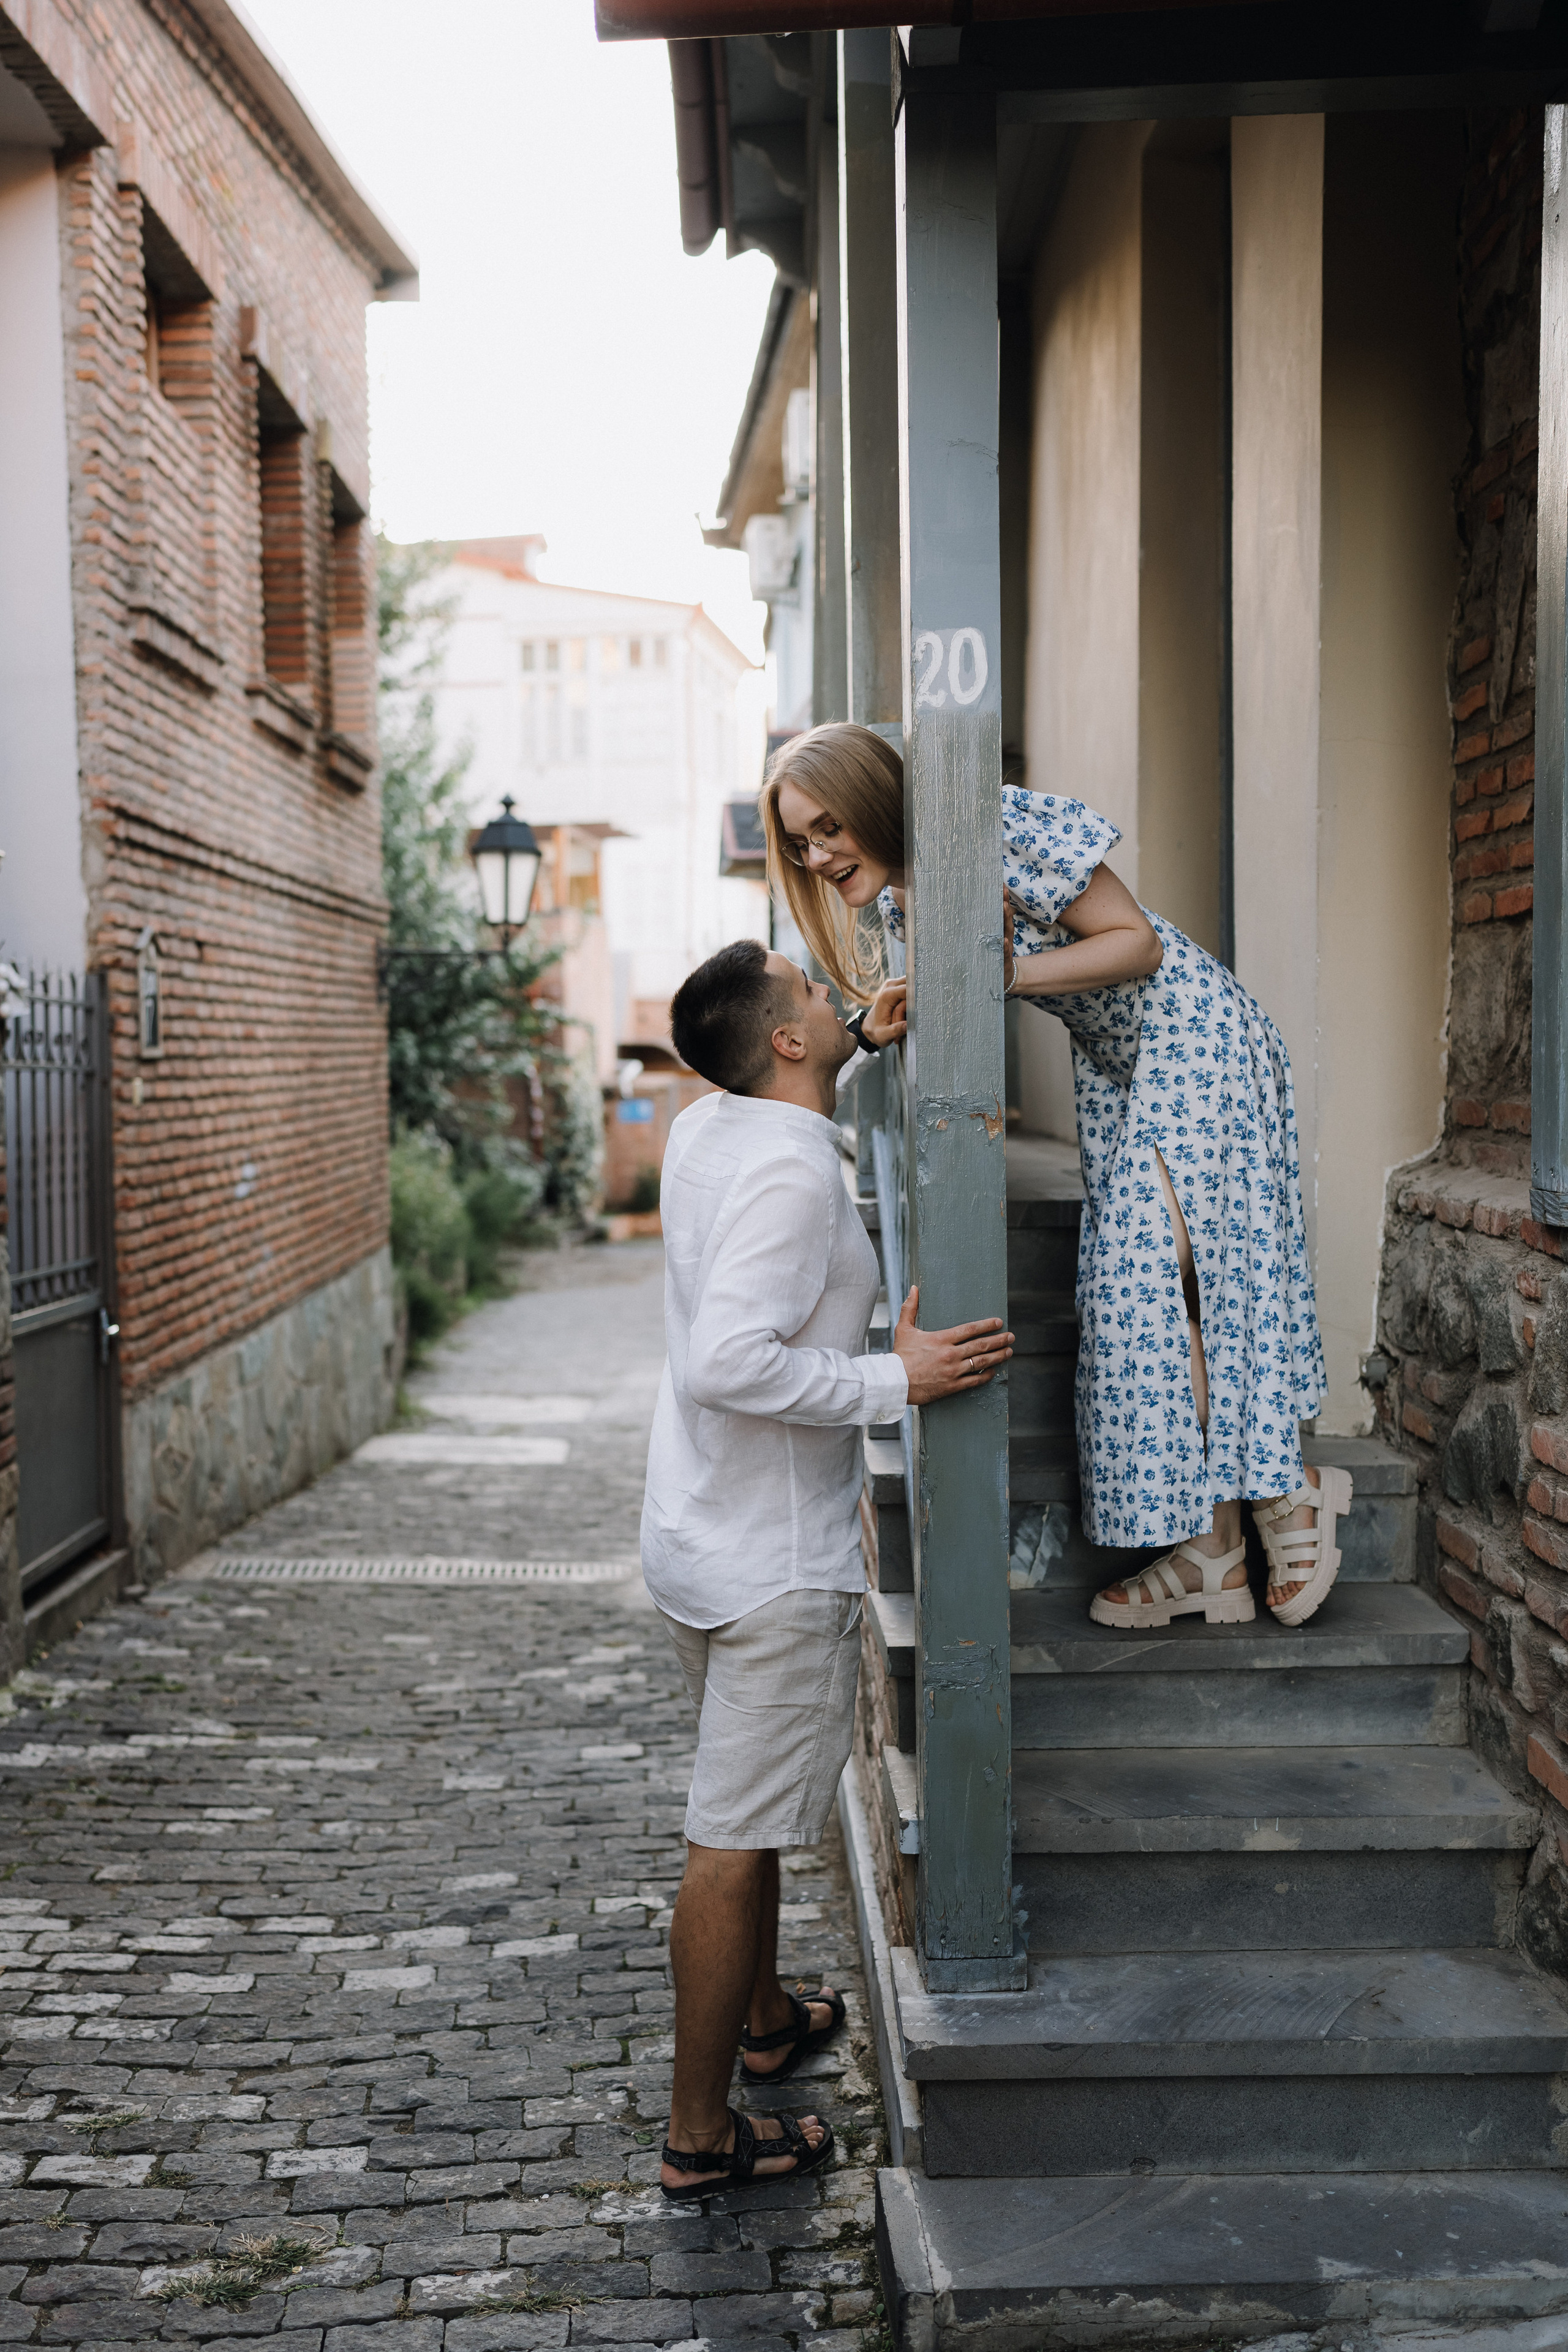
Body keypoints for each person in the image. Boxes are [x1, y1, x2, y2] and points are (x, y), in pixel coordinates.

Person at [761, 720, 1351, 1634]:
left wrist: (1006, 973)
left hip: (1195, 1033)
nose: (818, 854)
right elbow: (961, 992)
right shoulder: (900, 902)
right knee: (1160, 1296)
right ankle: (1219, 1546)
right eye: (802, 843)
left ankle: (1283, 1491)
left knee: (1153, 1281)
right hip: (1123, 1066)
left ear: (875, 800)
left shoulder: (997, 823)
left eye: (828, 826)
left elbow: (1135, 944)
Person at [644, 938, 1012, 2201]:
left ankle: (763, 2024)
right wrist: (887, 1379)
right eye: (806, 988)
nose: (822, 991)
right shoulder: (793, 1182)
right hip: (766, 1564)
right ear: (783, 1045)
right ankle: (700, 2138)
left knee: (736, 1812)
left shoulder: (709, 1125)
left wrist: (852, 1020)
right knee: (730, 1839)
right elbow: (727, 1361)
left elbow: (794, 1065)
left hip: (694, 1527)